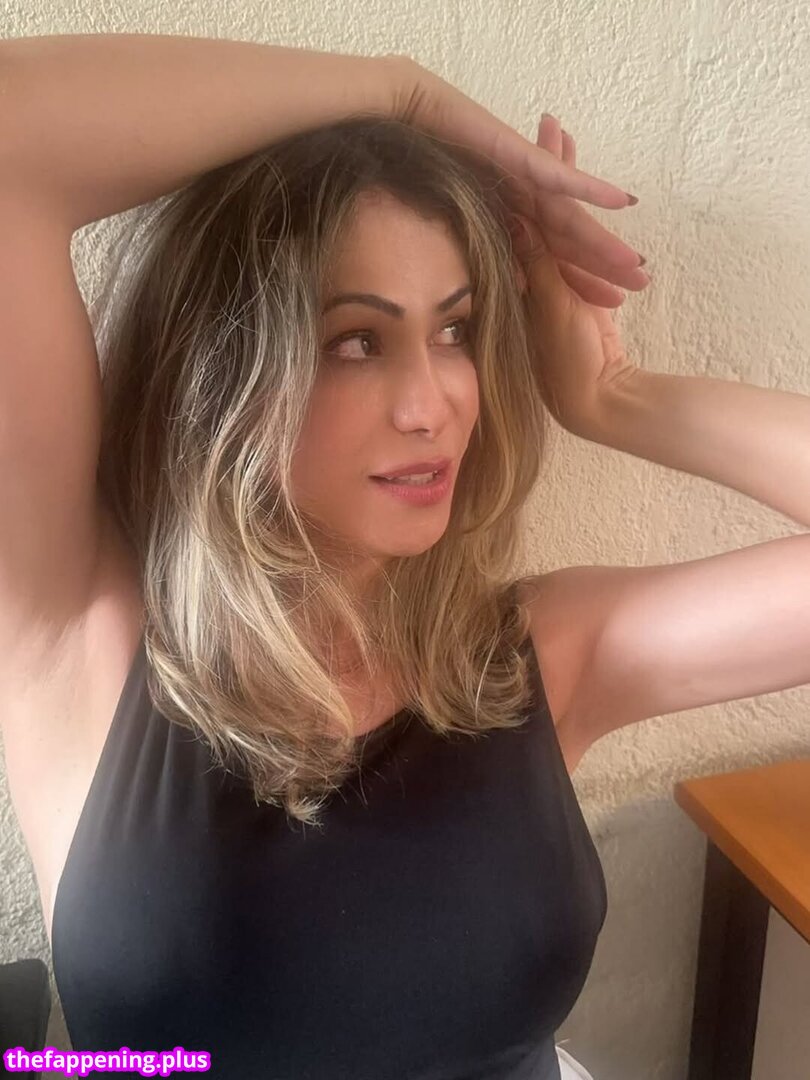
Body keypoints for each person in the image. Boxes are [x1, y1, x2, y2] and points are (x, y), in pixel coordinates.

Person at [3, 32, 808, 1080]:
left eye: (455, 330)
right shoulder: (80, 635)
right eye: (357, 341)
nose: (433, 405)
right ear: (232, 369)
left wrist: (618, 399)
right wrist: (403, 94)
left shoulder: (531, 661)